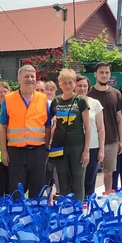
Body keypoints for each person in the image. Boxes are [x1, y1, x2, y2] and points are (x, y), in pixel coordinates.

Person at [0, 65, 51, 199]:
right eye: (26, 77)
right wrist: (4, 151)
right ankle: (18, 217)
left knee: (38, 187)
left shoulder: (43, 99)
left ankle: (36, 216)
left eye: (32, 76)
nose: (30, 79)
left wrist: (46, 149)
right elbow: (2, 126)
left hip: (38, 151)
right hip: (16, 152)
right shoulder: (9, 99)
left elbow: (47, 126)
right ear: (18, 79)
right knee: (16, 188)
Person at [49, 69, 91, 200]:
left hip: (77, 146)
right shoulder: (55, 101)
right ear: (59, 84)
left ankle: (78, 213)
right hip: (59, 147)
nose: (68, 85)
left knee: (78, 183)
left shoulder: (80, 101)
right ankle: (66, 212)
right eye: (65, 82)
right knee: (63, 183)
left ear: (74, 83)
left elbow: (88, 127)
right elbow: (51, 125)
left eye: (71, 82)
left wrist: (86, 151)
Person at [87, 62, 122, 191]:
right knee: (89, 173)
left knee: (108, 172)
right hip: (92, 141)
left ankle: (107, 197)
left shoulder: (116, 94)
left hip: (111, 140)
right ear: (95, 74)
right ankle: (88, 199)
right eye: (101, 72)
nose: (104, 75)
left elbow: (120, 119)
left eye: (107, 72)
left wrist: (121, 140)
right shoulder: (88, 94)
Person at [75, 75, 105, 198]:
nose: (82, 88)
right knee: (76, 181)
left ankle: (88, 206)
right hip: (75, 147)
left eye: (85, 86)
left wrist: (101, 149)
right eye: (79, 85)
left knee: (90, 179)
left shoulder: (95, 103)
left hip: (93, 146)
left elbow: (101, 128)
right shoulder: (69, 102)